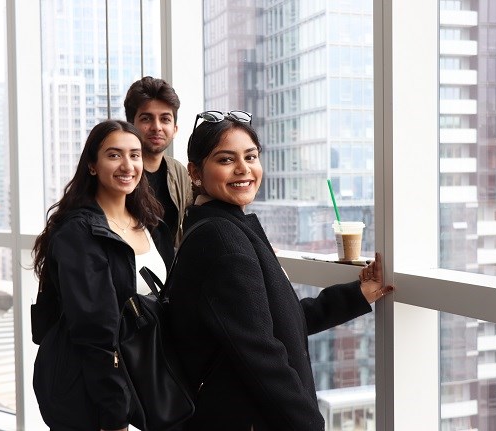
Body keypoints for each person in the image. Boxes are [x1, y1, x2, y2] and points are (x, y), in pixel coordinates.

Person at [168, 110, 395, 431]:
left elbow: (275, 319)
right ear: (194, 172)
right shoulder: (222, 239)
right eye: (225, 160)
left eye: (251, 156)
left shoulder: (219, 226)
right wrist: (309, 424)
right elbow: (260, 352)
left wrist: (356, 295)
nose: (243, 169)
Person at [31, 119, 174, 431]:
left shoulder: (149, 222)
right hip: (93, 393)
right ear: (92, 166)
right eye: (114, 155)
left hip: (142, 382)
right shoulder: (78, 233)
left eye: (135, 155)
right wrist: (114, 415)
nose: (127, 165)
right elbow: (95, 332)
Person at [124, 76, 193, 246]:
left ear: (175, 129)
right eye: (146, 118)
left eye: (165, 119)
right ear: (130, 125)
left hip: (171, 271)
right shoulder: (120, 172)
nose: (157, 127)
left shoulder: (179, 172)